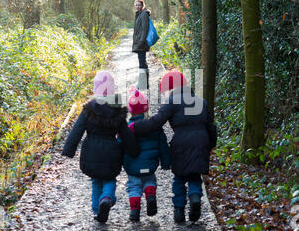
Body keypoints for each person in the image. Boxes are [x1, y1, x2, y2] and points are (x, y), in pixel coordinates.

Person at [128, 71, 217, 223]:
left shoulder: (172, 103)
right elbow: (211, 127)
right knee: (195, 176)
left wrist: (134, 127)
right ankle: (195, 198)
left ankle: (179, 211)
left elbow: (155, 122)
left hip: (181, 144)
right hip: (201, 142)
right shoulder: (201, 101)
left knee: (179, 178)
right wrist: (211, 145)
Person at [61, 71, 140, 223]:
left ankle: (97, 211)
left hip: (91, 152)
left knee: (96, 181)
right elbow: (125, 134)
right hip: (111, 152)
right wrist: (134, 150)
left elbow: (77, 130)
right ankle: (107, 199)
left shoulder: (89, 109)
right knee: (109, 179)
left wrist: (68, 150)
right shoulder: (117, 110)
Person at [122, 87, 171, 222]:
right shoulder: (154, 126)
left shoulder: (126, 129)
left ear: (130, 110)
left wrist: (116, 163)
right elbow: (163, 145)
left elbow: (119, 146)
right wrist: (166, 163)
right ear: (146, 109)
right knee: (150, 180)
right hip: (150, 165)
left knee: (134, 186)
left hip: (132, 166)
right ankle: (150, 195)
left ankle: (135, 211)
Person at [132, 0, 150, 90]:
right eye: (136, 5)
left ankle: (143, 83)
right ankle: (144, 83)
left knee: (142, 62)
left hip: (141, 43)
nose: (137, 6)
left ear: (142, 5)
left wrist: (141, 42)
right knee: (142, 62)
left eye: (139, 5)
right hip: (140, 42)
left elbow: (144, 29)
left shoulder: (144, 14)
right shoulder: (139, 14)